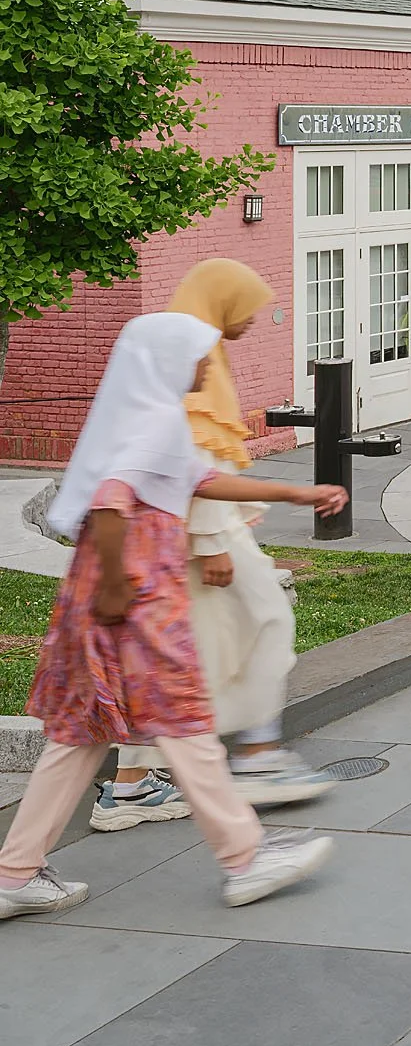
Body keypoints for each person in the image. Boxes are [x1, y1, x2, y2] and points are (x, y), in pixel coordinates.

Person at [1, 313, 349, 921]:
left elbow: (199, 481)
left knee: (79, 736)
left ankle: (14, 873)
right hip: (135, 604)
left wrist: (296, 493)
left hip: (102, 601)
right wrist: (117, 586)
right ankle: (246, 857)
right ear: (168, 359)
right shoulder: (157, 421)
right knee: (186, 727)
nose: (210, 366)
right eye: (200, 355)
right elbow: (111, 501)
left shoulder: (142, 417)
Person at [98, 260, 329, 829]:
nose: (254, 318)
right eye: (247, 305)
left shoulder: (203, 353)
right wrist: (209, 542)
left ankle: (139, 785)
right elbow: (187, 462)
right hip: (200, 538)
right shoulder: (190, 357)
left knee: (188, 652)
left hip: (199, 535)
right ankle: (255, 757)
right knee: (263, 623)